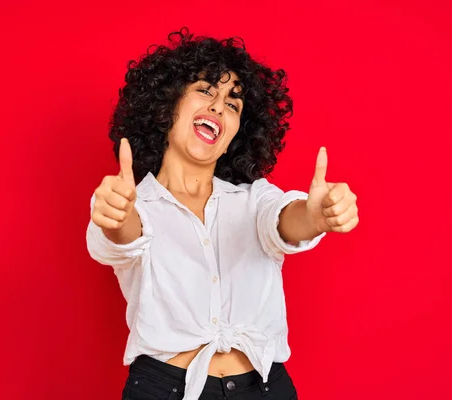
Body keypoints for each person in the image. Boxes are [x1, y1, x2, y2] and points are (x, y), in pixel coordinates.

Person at [86, 28, 359, 400]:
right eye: (205, 90)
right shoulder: (134, 202)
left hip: (264, 388)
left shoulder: (253, 200)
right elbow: (127, 236)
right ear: (168, 104)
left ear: (235, 134)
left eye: (233, 104)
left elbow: (283, 221)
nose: (218, 106)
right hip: (165, 390)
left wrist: (316, 217)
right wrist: (116, 217)